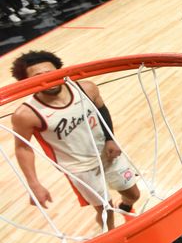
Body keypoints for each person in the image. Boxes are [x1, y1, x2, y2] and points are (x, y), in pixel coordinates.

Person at [10, 50, 141, 230]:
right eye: (38, 76)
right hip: (80, 168)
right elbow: (22, 148)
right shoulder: (26, 114)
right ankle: (110, 237)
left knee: (134, 195)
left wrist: (111, 139)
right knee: (105, 210)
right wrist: (34, 184)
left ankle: (125, 207)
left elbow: (101, 109)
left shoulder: (86, 88)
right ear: (27, 82)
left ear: (60, 71)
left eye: (50, 73)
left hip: (107, 154)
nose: (47, 80)